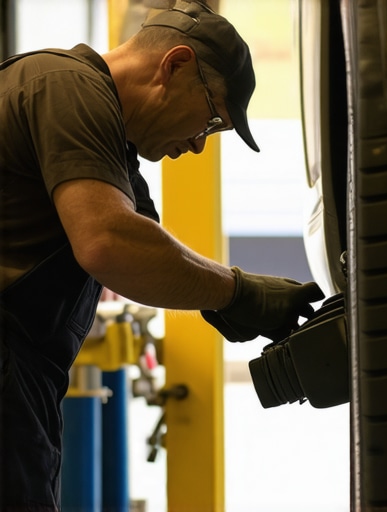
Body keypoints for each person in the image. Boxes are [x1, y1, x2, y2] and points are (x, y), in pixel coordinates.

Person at [0, 0, 324, 509]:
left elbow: (148, 251)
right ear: (174, 66)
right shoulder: (65, 86)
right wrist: (239, 291)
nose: (199, 145)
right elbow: (108, 242)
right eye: (214, 119)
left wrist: (238, 300)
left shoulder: (116, 154)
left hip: (25, 382)